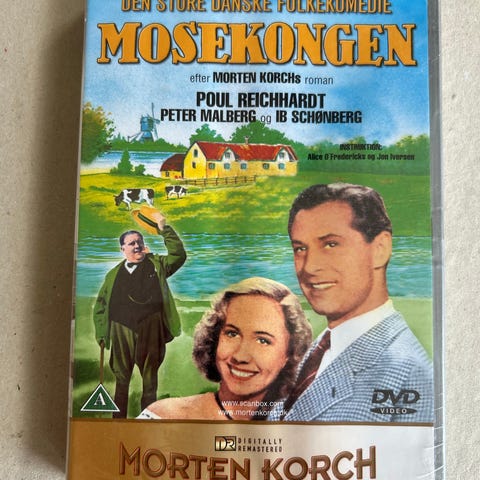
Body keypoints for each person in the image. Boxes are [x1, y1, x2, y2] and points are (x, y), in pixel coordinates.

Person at [269, 183, 433, 422]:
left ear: (380, 249)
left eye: (331, 244)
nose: (309, 267)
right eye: (300, 248)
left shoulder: (410, 374)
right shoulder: (319, 350)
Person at [138, 277, 312, 421]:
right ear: (214, 338)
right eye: (232, 334)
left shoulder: (303, 424)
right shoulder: (166, 416)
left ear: (290, 354)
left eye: (262, 341)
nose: (241, 356)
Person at [93, 209, 186, 418]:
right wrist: (101, 333)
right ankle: (118, 423)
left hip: (151, 329)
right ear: (123, 249)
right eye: (132, 243)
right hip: (121, 330)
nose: (137, 246)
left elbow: (179, 255)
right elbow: (100, 306)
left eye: (139, 242)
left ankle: (147, 422)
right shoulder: (112, 275)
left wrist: (163, 228)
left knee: (150, 381)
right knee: (121, 381)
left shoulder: (158, 265)